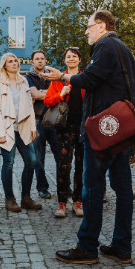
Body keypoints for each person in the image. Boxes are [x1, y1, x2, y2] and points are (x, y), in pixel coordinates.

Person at [43, 10, 135, 266]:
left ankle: (87, 247)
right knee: (123, 190)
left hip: (102, 131)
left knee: (92, 189)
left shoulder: (105, 45)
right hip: (119, 129)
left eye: (88, 27)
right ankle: (122, 247)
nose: (86, 31)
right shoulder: (123, 48)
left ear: (100, 26)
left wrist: (62, 76)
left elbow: (90, 78)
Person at [0, 53, 40, 213]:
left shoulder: (23, 81)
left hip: (24, 127)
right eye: (10, 61)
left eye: (15, 61)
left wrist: (33, 127)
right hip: (7, 128)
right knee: (9, 163)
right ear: (4, 65)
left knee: (32, 161)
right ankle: (9, 199)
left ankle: (26, 198)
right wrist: (0, 132)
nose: (14, 63)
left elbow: (30, 107)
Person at [44, 47, 85, 218]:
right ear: (65, 60)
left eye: (74, 56)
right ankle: (62, 202)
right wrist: (61, 94)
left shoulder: (85, 78)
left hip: (83, 126)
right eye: (68, 56)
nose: (71, 59)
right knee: (64, 165)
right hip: (65, 126)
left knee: (81, 165)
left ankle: (78, 201)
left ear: (79, 60)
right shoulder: (58, 80)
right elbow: (47, 101)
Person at [26, 50, 55, 199]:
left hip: (55, 120)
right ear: (32, 62)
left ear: (45, 60)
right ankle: (42, 188)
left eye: (42, 58)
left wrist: (42, 92)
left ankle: (65, 186)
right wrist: (49, 93)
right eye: (36, 59)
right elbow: (35, 94)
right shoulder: (28, 77)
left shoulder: (52, 75)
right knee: (39, 157)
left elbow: (59, 93)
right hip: (37, 120)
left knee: (61, 156)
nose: (40, 61)